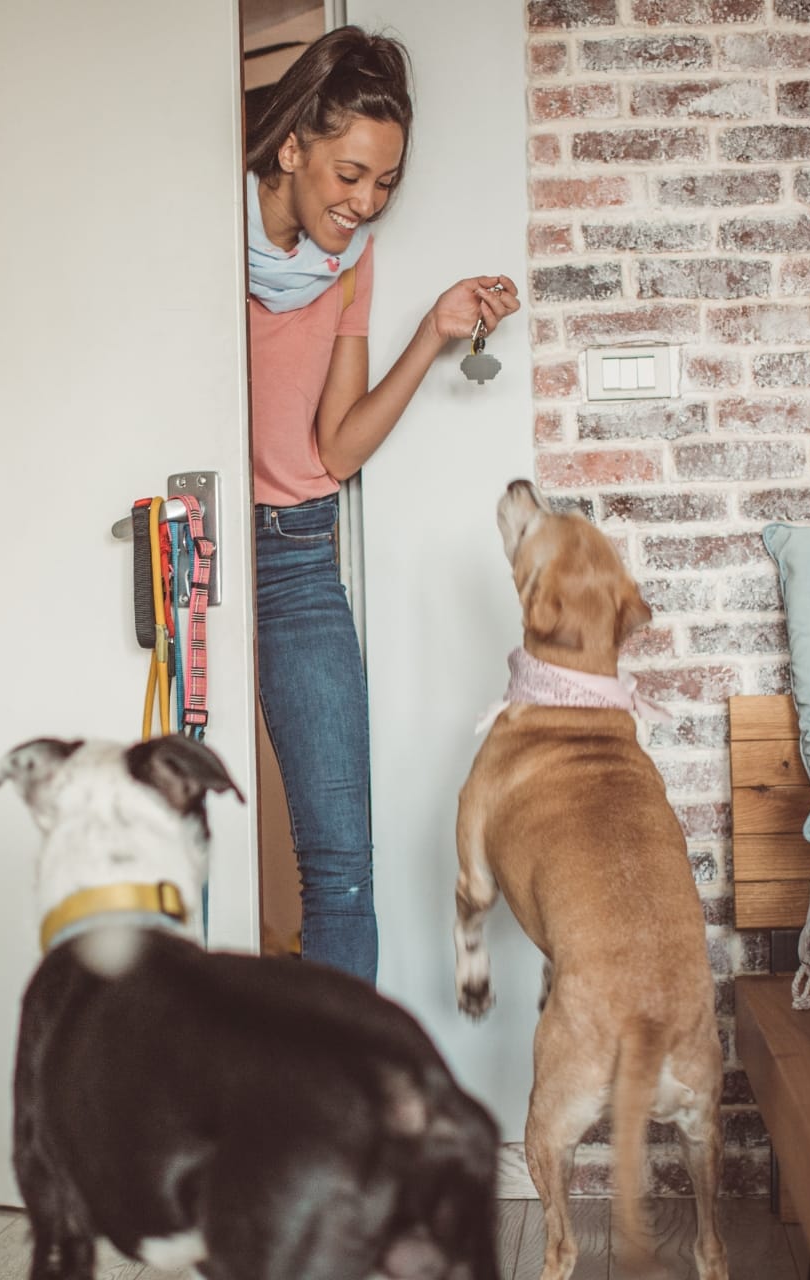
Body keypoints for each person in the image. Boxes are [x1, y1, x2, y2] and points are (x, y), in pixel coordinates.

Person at [247, 26, 518, 984]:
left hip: (294, 558)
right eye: (350, 175)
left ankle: (338, 1114)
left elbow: (335, 446)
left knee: (341, 868)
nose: (364, 204)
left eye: (385, 185)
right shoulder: (195, 231)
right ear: (292, 150)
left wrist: (434, 333)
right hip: (189, 549)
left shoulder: (348, 263)